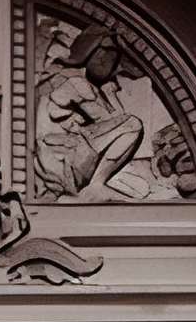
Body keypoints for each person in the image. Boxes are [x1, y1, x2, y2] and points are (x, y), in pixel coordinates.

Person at [33, 25, 153, 201]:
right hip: (65, 164)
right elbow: (118, 121)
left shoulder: (57, 77)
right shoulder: (76, 81)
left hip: (52, 165)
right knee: (133, 124)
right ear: (87, 51)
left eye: (113, 58)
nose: (107, 62)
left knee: (138, 189)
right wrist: (111, 95)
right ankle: (96, 185)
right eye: (103, 55)